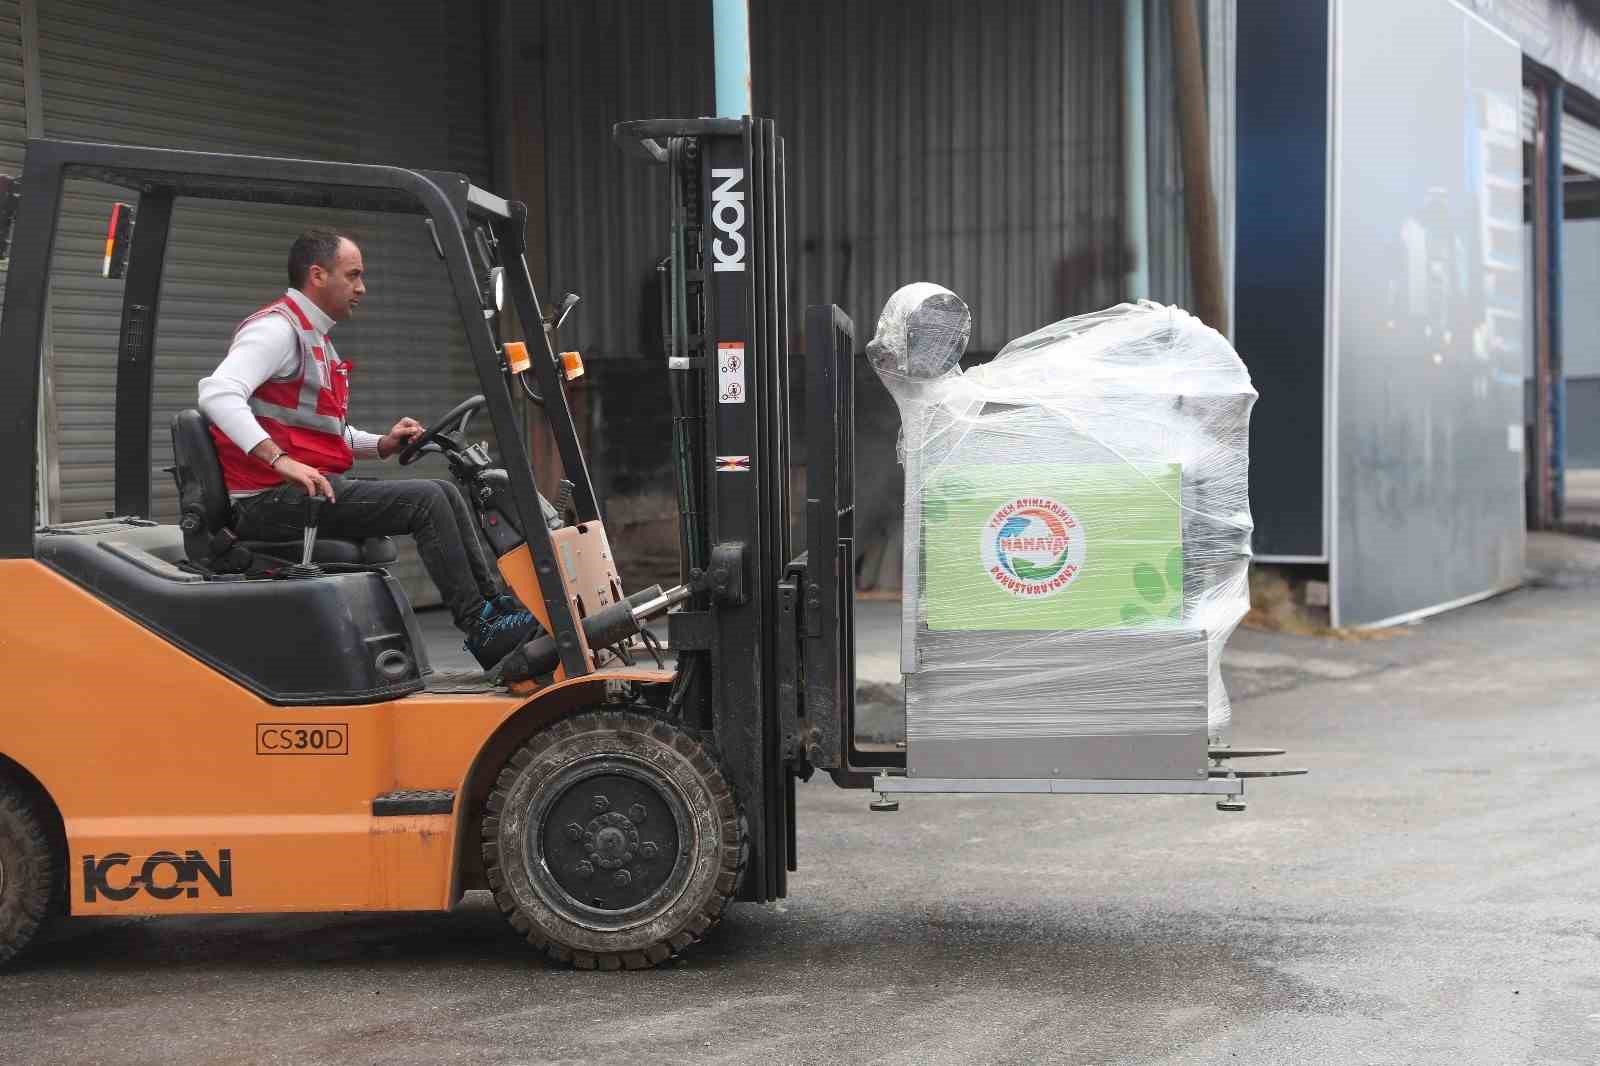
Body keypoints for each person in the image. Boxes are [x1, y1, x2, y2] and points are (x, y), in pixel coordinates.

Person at [198, 227, 541, 669]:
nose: (362, 287)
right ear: (317, 276)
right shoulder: (277, 331)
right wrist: (280, 461)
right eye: (353, 275)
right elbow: (218, 394)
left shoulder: (314, 338)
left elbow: (322, 433)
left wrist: (380, 443)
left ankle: (496, 609)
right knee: (426, 501)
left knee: (447, 491)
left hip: (302, 491)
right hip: (266, 500)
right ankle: (480, 626)